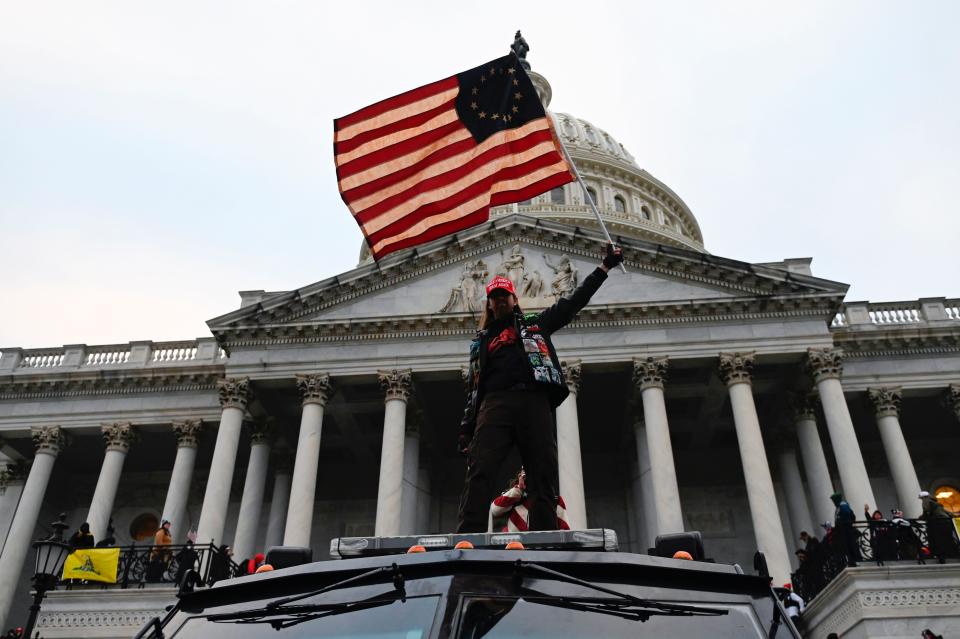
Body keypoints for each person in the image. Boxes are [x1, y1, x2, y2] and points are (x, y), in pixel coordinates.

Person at [456, 244, 623, 533]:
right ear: (489, 304)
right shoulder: (479, 343)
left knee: (541, 472)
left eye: (503, 296)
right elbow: (474, 391)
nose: (499, 302)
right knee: (480, 469)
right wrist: (466, 429)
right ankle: (467, 535)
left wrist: (604, 268)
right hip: (495, 405)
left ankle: (544, 534)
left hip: (533, 400)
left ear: (513, 298)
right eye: (494, 298)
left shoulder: (535, 326)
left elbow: (572, 303)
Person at [489, 469, 569, 532]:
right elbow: (494, 510)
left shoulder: (555, 500)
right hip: (514, 547)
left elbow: (564, 531)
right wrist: (519, 490)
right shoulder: (515, 496)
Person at [919, 490, 956, 563]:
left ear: (923, 497)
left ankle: (941, 557)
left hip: (937, 523)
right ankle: (952, 553)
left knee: (938, 540)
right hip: (946, 522)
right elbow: (946, 512)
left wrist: (921, 517)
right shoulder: (936, 503)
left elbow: (926, 511)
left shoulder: (926, 501)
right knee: (948, 539)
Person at [831, 492, 860, 567]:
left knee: (850, 544)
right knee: (845, 546)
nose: (833, 502)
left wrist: (841, 520)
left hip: (846, 528)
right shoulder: (838, 507)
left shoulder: (842, 504)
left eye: (834, 500)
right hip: (842, 530)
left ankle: (855, 560)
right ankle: (850, 560)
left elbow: (847, 513)